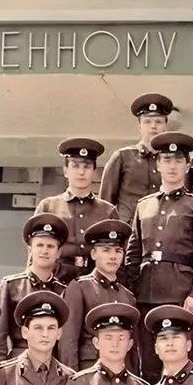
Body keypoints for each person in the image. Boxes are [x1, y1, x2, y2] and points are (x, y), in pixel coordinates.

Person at [122, 131, 193, 382]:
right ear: (158, 164)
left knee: (184, 366)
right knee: (148, 366)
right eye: (166, 160)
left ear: (187, 165)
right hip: (146, 296)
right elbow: (133, 254)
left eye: (178, 160)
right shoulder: (144, 205)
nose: (172, 166)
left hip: (181, 296)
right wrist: (131, 291)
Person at [0, 213, 67, 364]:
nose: (44, 251)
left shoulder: (63, 290)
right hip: (17, 364)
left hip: (51, 366)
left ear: (58, 253)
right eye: (39, 245)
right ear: (30, 249)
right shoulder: (11, 286)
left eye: (50, 246)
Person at [35, 138, 116, 283]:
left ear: (94, 171)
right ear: (65, 171)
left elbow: (116, 251)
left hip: (95, 279)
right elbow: (34, 251)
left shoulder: (107, 211)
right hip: (56, 278)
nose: (81, 172)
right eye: (75, 166)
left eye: (87, 166)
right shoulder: (48, 207)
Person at [59, 218, 135, 370]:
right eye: (106, 250)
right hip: (87, 370)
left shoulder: (128, 296)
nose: (113, 256)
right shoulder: (79, 287)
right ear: (93, 254)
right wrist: (72, 380)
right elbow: (68, 340)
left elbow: (131, 347)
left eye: (118, 251)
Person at [98, 92, 173, 221]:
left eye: (158, 122)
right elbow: (105, 203)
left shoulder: (173, 161)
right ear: (139, 126)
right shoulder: (122, 157)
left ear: (165, 126)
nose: (153, 126)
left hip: (163, 230)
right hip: (129, 231)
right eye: (147, 122)